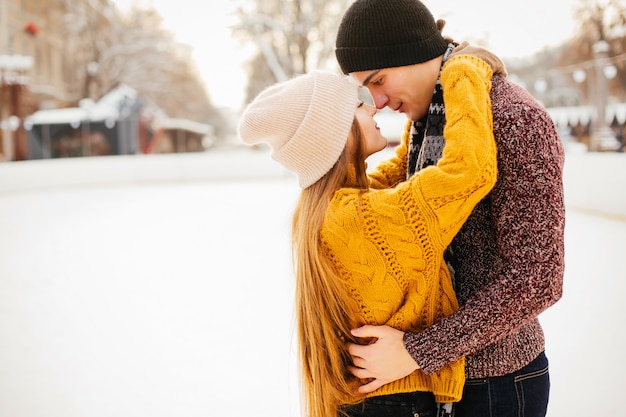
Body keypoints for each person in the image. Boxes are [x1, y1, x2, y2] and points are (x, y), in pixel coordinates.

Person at [334, 1, 566, 416]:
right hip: (433, 382)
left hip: (495, 385)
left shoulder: (515, 118)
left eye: (379, 79)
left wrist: (417, 352)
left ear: (415, 52)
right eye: (366, 89)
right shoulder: (428, 122)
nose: (379, 101)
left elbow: (539, 277)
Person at [238, 54, 498, 417]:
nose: (373, 106)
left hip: (373, 402)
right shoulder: (363, 217)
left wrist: (421, 108)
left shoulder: (328, 210)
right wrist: (463, 72)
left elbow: (403, 172)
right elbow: (469, 171)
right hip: (395, 405)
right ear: (336, 134)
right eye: (357, 105)